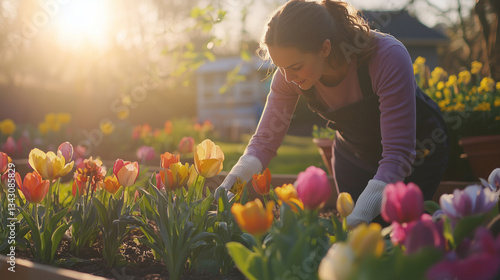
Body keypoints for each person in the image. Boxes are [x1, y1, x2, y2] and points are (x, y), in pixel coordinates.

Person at [216, 0, 449, 227]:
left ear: (325, 47)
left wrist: (362, 216)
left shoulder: (386, 57)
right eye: (280, 67)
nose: (288, 78)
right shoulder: (289, 76)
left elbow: (397, 155)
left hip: (417, 154)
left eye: (295, 67)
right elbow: (264, 142)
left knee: (400, 237)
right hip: (354, 156)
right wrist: (230, 188)